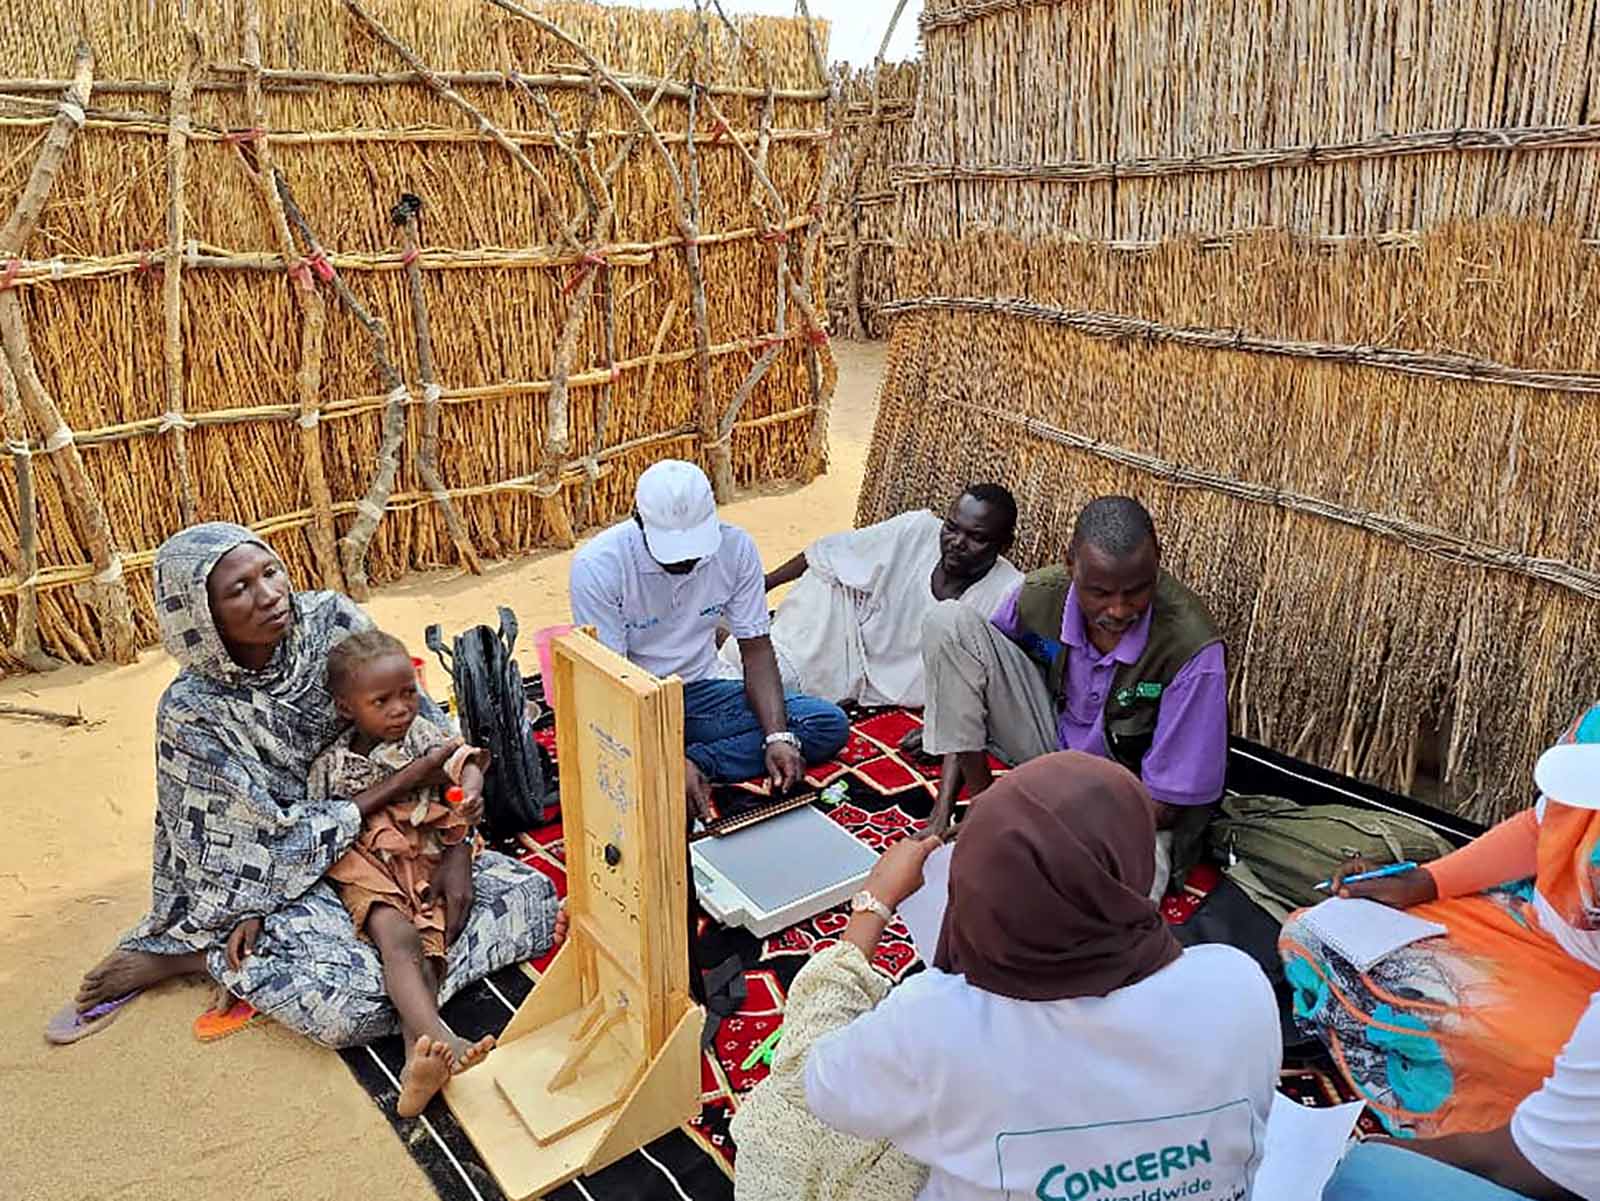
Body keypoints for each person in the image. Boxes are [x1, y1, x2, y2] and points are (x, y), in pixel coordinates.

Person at [60, 523, 561, 1051]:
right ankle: (194, 956)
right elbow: (237, 849)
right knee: (348, 1007)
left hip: (404, 840)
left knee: (530, 901)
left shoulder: (330, 623)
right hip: (293, 872)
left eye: (270, 572)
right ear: (201, 617)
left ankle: (402, 999)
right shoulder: (193, 713)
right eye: (240, 589)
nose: (270, 595)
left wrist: (459, 847)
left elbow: (432, 737)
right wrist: (253, 904)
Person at [730, 752, 1281, 1201]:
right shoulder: (1237, 987)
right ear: (1130, 865)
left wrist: (873, 906)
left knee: (777, 1124)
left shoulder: (940, 1026)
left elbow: (811, 1078)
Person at [1283, 714, 1600, 1201]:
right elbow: (1540, 830)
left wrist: (1372, 1158)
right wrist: (1427, 882)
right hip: (1527, 923)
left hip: (1583, 996)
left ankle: (1527, 1111)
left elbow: (1494, 1165)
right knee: (1316, 934)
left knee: (1517, 1055)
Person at [919, 495, 1227, 889]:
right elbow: (971, 686)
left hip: (1124, 804)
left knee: (1107, 896)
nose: (1119, 610)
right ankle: (987, 813)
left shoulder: (1192, 649)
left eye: (1136, 591)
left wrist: (1047, 825)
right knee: (949, 624)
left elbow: (1165, 805)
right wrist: (957, 808)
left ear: (1156, 566)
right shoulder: (1039, 595)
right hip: (1049, 751)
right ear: (1071, 567)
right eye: (1100, 592)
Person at [569, 459, 850, 814]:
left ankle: (700, 763)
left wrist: (777, 736)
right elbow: (613, 687)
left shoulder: (736, 549)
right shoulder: (598, 567)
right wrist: (662, 756)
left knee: (825, 724)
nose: (686, 559)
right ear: (637, 519)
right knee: (617, 785)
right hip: (633, 704)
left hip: (703, 693)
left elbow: (756, 650)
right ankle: (678, 762)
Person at [309, 630, 498, 1116]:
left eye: (409, 692)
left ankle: (418, 1069)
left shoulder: (422, 737)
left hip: (424, 856)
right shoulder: (331, 765)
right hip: (367, 863)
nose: (400, 708)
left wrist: (471, 790)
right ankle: (443, 1039)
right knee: (398, 939)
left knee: (430, 946)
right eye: (382, 700)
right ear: (347, 708)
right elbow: (327, 824)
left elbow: (467, 761)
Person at [717, 485, 1023, 708]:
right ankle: (736, 639)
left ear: (1005, 545)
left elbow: (996, 679)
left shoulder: (1007, 593)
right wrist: (762, 586)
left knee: (774, 688)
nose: (957, 542)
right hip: (849, 631)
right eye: (951, 528)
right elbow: (829, 551)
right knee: (776, 674)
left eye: (976, 537)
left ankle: (732, 639)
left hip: (899, 682)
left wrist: (946, 724)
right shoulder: (917, 530)